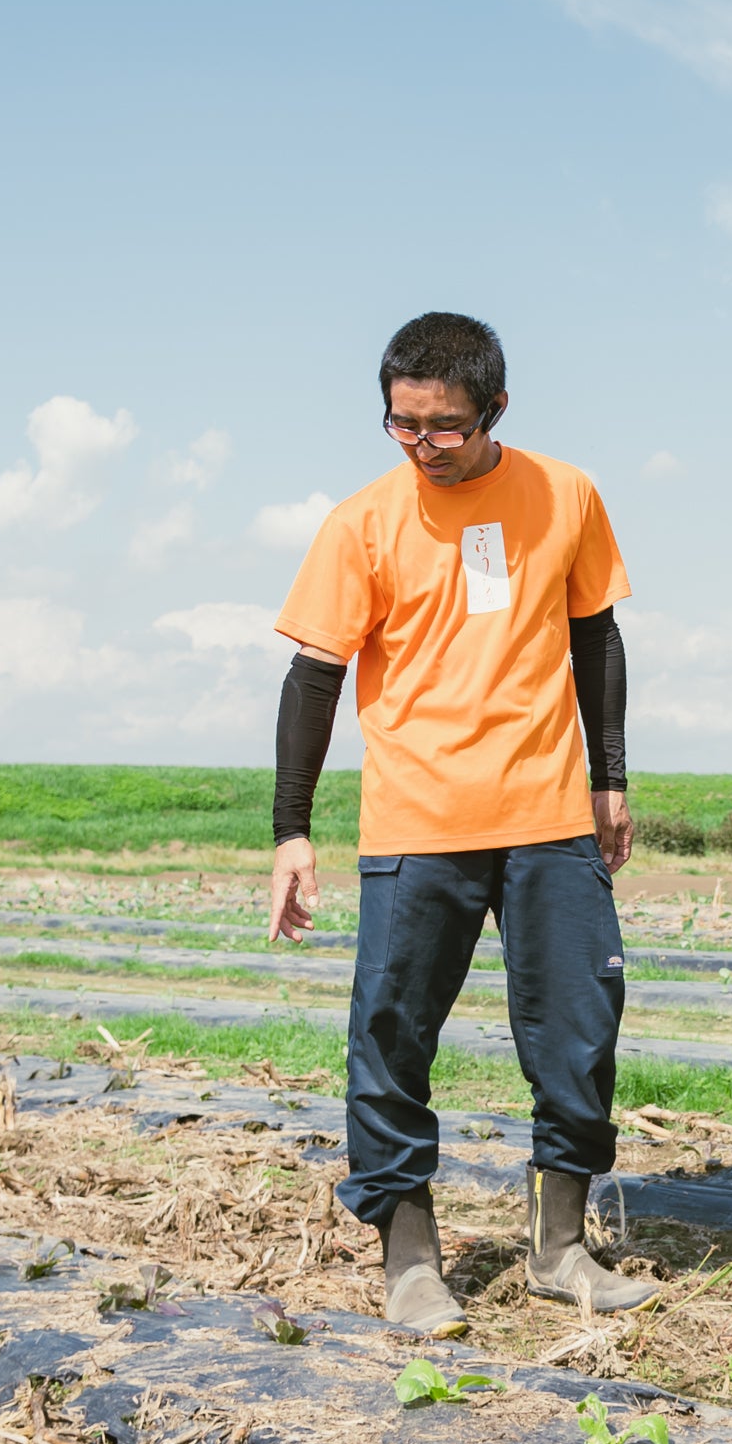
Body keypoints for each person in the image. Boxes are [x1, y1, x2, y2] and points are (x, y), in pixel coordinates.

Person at [264, 310, 655, 1334]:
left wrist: (608, 776)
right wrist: (290, 829)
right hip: (416, 818)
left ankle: (560, 1245)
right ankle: (410, 1261)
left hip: (547, 809)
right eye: (402, 426)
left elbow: (596, 635)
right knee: (390, 1036)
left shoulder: (564, 493)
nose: (423, 447)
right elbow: (315, 675)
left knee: (578, 1027)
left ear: (495, 410)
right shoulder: (363, 521)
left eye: (443, 426)